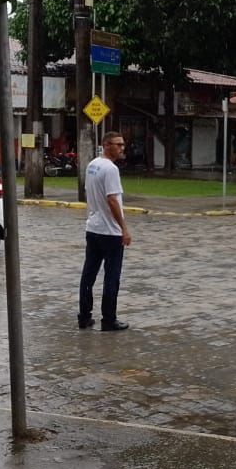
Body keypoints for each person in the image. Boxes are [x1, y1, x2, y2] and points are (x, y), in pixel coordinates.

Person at [78, 132, 132, 332]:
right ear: (106, 145)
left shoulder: (92, 165)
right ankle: (109, 319)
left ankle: (84, 316)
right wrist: (124, 228)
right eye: (119, 145)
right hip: (110, 231)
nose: (122, 148)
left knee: (89, 274)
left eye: (123, 145)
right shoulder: (110, 169)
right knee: (112, 276)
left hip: (93, 228)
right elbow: (112, 200)